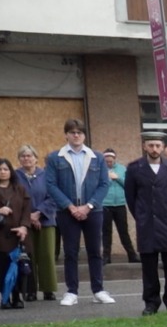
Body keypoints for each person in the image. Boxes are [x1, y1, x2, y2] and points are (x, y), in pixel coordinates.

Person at [43, 118, 114, 306]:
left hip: (93, 211)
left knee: (95, 252)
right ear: (66, 134)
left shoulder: (96, 157)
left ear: (84, 135)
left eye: (80, 132)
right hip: (67, 212)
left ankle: (98, 290)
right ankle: (71, 292)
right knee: (71, 252)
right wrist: (70, 206)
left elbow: (104, 184)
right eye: (72, 132)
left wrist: (88, 206)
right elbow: (50, 184)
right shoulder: (54, 158)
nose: (76, 135)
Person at [125, 131, 167, 315]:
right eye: (151, 145)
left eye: (158, 145)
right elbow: (131, 197)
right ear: (145, 146)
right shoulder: (135, 168)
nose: (154, 149)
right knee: (149, 267)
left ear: (163, 147)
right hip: (147, 224)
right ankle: (151, 302)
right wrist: (141, 215)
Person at [0, 158, 33, 307]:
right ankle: (4, 299)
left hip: (17, 235)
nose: (3, 172)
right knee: (1, 268)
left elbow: (26, 209)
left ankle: (17, 297)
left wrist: (24, 227)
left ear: (11, 171)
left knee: (17, 267)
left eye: (6, 169)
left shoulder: (19, 188)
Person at [15, 146, 57, 302]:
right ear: (19, 159)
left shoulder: (47, 176)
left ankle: (48, 289)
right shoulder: (15, 177)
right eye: (23, 156)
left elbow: (54, 197)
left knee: (46, 255)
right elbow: (14, 200)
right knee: (28, 256)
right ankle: (30, 290)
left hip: (46, 221)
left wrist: (39, 213)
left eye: (29, 155)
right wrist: (29, 217)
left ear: (36, 158)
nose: (26, 158)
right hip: (24, 223)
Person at [101, 148, 139, 264]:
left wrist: (117, 178)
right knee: (106, 232)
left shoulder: (122, 169)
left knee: (123, 231)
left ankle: (132, 255)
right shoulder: (99, 170)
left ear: (114, 159)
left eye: (110, 161)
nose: (109, 163)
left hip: (120, 204)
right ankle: (106, 256)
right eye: (106, 161)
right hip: (105, 204)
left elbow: (128, 185)